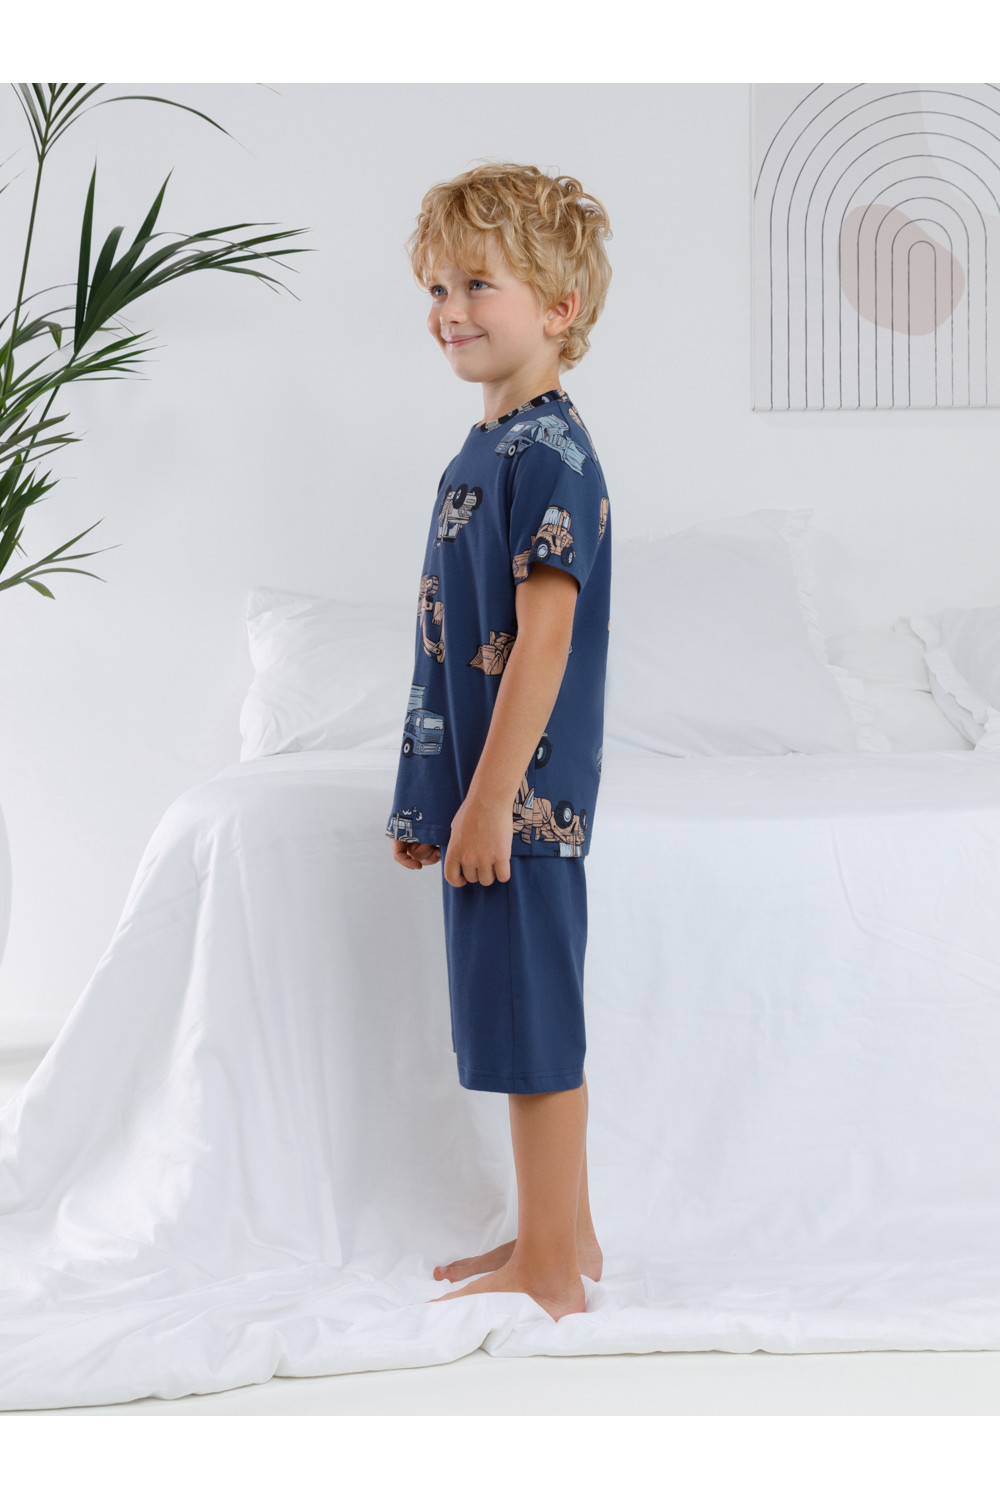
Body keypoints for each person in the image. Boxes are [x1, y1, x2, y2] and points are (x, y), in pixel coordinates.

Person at [385, 161, 613, 1322]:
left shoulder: (548, 456)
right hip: (481, 796)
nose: (449, 310)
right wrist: (429, 798)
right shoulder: (484, 450)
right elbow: (446, 644)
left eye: (478, 283)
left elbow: (544, 641)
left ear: (559, 308)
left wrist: (486, 802)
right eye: (436, 288)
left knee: (533, 1029)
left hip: (523, 803)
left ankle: (553, 1271)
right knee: (515, 1012)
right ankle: (562, 1236)